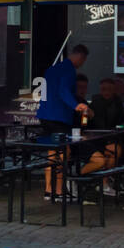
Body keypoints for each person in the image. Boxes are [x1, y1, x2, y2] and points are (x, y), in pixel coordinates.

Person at [36, 44, 92, 200]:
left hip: (45, 115)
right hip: (59, 117)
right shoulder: (69, 70)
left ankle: (49, 190)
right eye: (83, 60)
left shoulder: (52, 69)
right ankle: (59, 191)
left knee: (52, 153)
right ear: (80, 57)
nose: (82, 64)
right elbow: (64, 91)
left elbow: (45, 92)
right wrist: (76, 105)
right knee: (63, 152)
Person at [80, 78, 124, 192]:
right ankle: (102, 182)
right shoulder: (96, 102)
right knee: (115, 150)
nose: (106, 92)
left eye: (109, 89)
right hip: (96, 139)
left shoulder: (117, 102)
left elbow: (121, 121)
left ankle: (106, 182)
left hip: (111, 137)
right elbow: (96, 124)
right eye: (104, 89)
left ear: (114, 90)